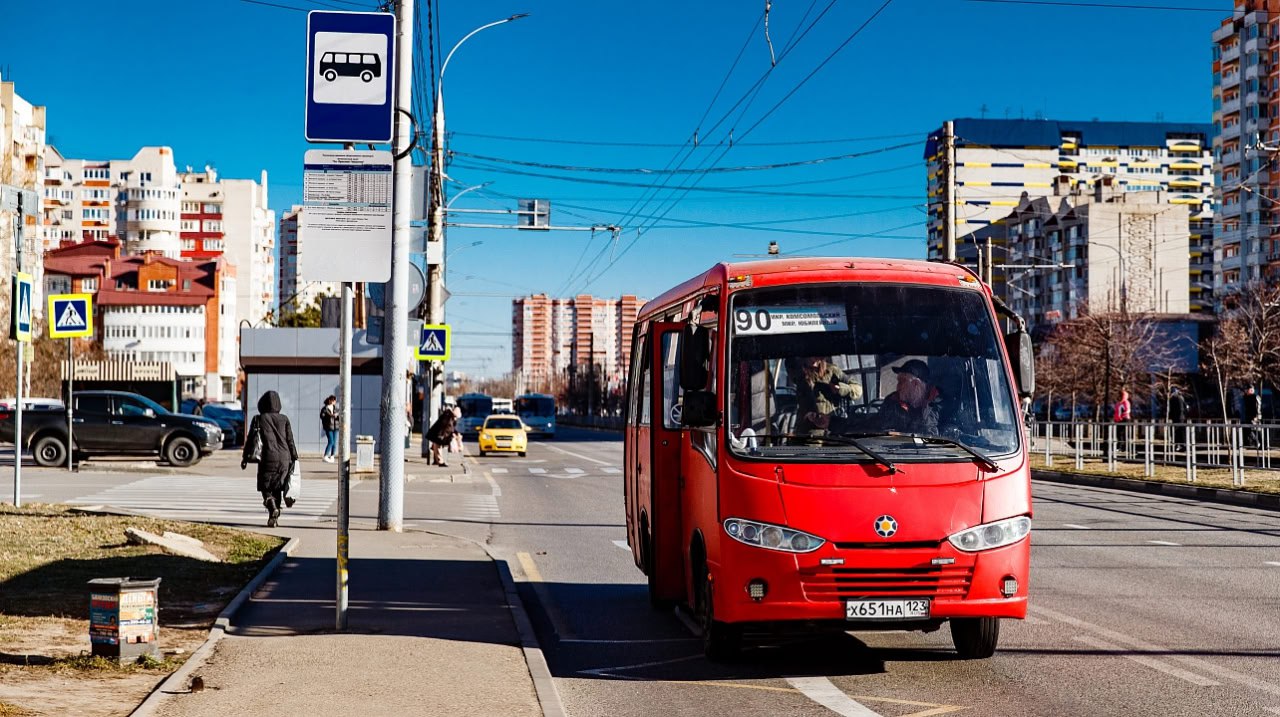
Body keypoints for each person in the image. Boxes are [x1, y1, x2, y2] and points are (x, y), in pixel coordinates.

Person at [242, 390, 298, 528]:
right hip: (285, 458)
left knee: (265, 486)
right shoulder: (284, 419)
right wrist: (295, 457)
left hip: (267, 457)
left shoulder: (258, 419)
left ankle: (272, 506)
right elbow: (290, 440)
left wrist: (245, 457)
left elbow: (251, 440)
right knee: (278, 487)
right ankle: (274, 517)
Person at [793, 355, 863, 436]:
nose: (813, 359)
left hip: (832, 428)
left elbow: (858, 390)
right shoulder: (798, 371)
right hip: (808, 431)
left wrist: (840, 388)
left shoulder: (832, 371)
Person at [877, 359, 940, 435]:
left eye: (902, 381)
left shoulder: (938, 406)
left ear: (916, 384)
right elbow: (880, 428)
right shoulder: (892, 401)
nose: (897, 386)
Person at [320, 395, 340, 463]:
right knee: (331, 441)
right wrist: (329, 416)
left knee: (334, 442)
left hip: (336, 427)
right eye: (333, 400)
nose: (334, 402)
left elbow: (339, 417)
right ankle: (325, 455)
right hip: (328, 427)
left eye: (335, 400)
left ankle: (332, 456)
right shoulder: (325, 409)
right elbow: (322, 416)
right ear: (330, 400)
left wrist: (337, 416)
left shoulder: (336, 408)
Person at [1168, 387, 1187, 451]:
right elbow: (1185, 407)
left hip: (1177, 418)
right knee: (1180, 432)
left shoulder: (1175, 398)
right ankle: (1181, 445)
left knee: (1177, 432)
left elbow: (1173, 409)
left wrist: (1171, 416)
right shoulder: (1181, 397)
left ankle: (1178, 445)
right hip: (1181, 417)